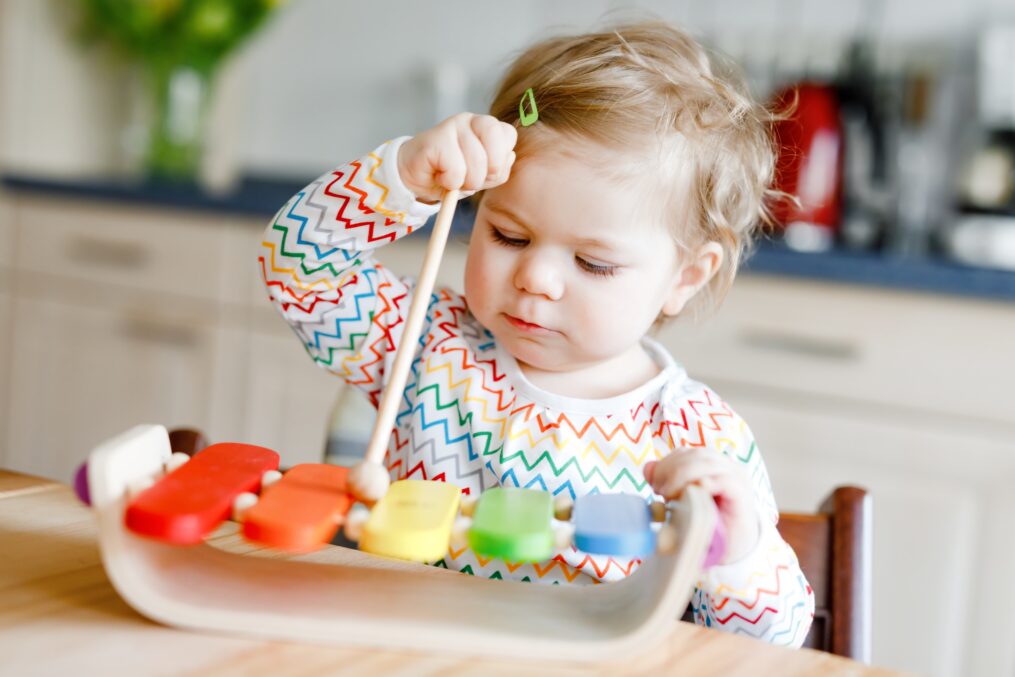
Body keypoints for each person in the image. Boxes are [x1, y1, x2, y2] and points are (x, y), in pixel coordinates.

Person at [260, 20, 814, 647]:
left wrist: (737, 554)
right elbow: (297, 267)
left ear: (685, 275)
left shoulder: (697, 437)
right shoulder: (427, 345)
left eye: (593, 263)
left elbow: (774, 641)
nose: (537, 278)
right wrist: (402, 179)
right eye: (508, 236)